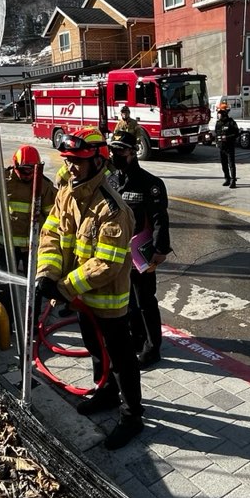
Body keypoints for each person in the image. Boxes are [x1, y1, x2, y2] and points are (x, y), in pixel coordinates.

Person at [35, 127, 144, 449]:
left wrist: (64, 287)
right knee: (95, 348)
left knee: (121, 358)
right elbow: (51, 234)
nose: (70, 167)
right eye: (67, 160)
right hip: (79, 296)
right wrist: (47, 273)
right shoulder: (67, 193)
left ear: (98, 162)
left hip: (108, 301)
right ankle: (106, 393)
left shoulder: (112, 209)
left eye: (78, 161)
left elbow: (107, 263)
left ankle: (132, 416)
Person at [108, 130, 172, 368]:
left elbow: (159, 219)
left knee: (145, 301)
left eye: (121, 150)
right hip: (118, 253)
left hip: (141, 254)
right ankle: (136, 338)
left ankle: (152, 347)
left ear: (133, 152)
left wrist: (159, 250)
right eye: (113, 150)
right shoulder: (111, 181)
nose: (116, 154)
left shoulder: (150, 183)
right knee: (128, 301)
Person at [0, 145, 57, 318]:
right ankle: (4, 324)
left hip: (33, 248)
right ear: (15, 165)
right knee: (3, 288)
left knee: (34, 288)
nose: (28, 175)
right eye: (24, 170)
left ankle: (32, 324)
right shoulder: (0, 180)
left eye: (32, 170)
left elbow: (54, 219)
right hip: (6, 246)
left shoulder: (44, 185)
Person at [213, 102, 239, 188]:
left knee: (231, 164)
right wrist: (217, 142)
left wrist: (227, 137)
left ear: (224, 113)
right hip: (222, 147)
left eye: (220, 113)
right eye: (218, 113)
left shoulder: (231, 122)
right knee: (224, 164)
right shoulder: (218, 123)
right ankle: (227, 178)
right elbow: (216, 134)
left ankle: (233, 180)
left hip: (229, 146)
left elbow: (236, 133)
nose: (218, 115)